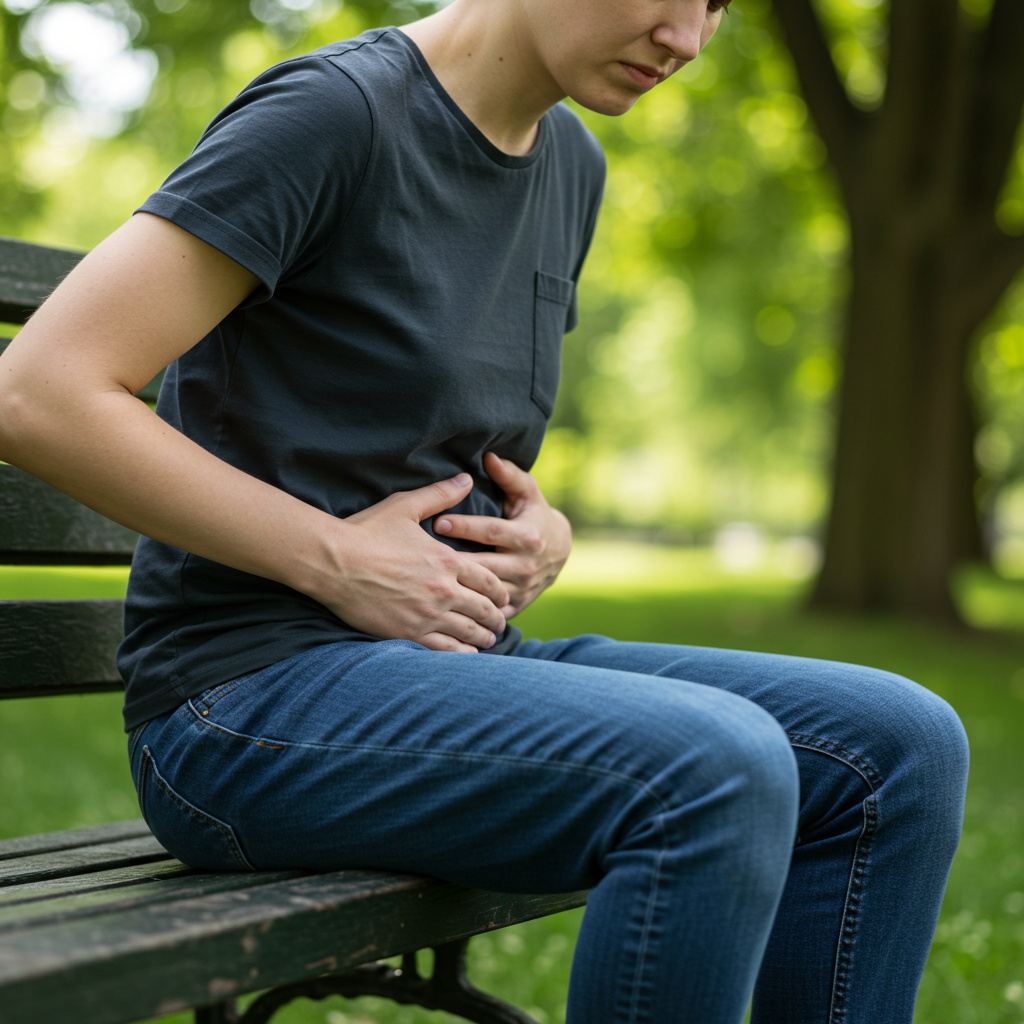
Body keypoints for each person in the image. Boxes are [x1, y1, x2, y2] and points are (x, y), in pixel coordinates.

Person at [0, 0, 969, 1020]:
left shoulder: (571, 163)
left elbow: (455, 431)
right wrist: (332, 557)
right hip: (244, 704)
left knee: (899, 744)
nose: (687, 40)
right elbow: (41, 392)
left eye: (718, 6)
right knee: (710, 768)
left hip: (449, 671)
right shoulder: (334, 116)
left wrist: (539, 530)